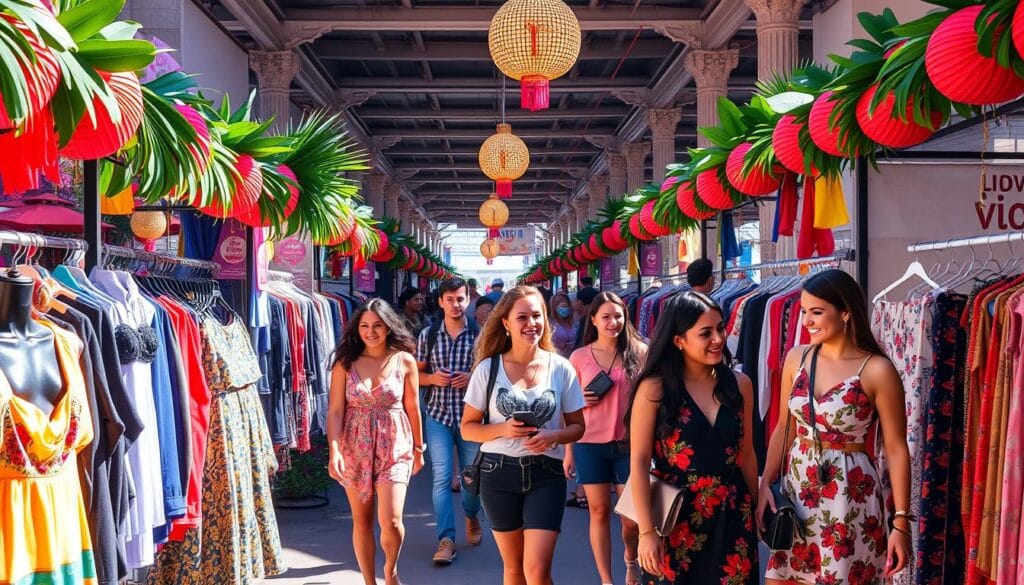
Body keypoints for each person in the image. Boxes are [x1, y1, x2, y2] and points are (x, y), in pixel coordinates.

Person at [758, 269, 911, 585]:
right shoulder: (796, 358)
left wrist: (901, 523)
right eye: (803, 312)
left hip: (849, 497)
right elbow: (783, 428)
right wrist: (764, 484)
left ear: (846, 312)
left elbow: (896, 448)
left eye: (816, 312)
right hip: (797, 494)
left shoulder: (877, 370)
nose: (806, 322)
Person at [628, 292, 758, 584]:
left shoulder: (740, 385)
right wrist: (646, 532)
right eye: (705, 333)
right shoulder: (654, 390)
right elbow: (638, 463)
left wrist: (758, 509)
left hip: (733, 516)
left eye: (721, 328)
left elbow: (747, 455)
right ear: (679, 340)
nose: (718, 338)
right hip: (675, 519)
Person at [461, 285, 586, 585]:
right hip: (497, 473)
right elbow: (468, 428)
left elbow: (578, 426)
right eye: (522, 317)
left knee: (538, 571)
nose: (531, 323)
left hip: (546, 473)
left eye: (537, 315)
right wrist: (503, 428)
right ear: (505, 322)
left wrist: (553, 436)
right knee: (514, 569)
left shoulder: (561, 368)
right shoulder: (487, 369)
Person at [327, 299, 424, 585]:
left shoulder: (404, 360)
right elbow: (335, 410)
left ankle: (390, 569)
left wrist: (419, 448)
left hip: (395, 446)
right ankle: (370, 581)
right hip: (354, 446)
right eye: (365, 326)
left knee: (391, 522)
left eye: (377, 326)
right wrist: (334, 450)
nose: (371, 332)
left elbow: (413, 407)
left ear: (388, 327)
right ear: (357, 329)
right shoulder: (345, 364)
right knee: (362, 522)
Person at [567, 292, 648, 585]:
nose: (613, 322)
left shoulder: (639, 351)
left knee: (631, 518)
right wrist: (567, 451)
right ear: (593, 320)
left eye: (618, 316)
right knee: (598, 511)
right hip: (588, 444)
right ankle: (605, 579)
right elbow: (567, 408)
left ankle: (631, 558)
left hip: (629, 446)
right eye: (606, 317)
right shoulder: (578, 357)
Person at [416, 277, 483, 565]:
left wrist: (472, 378)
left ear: (468, 300)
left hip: (471, 419)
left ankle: (471, 514)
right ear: (441, 302)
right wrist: (432, 378)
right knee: (441, 478)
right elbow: (415, 376)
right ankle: (445, 539)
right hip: (438, 415)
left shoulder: (480, 337)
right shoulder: (427, 336)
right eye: (450, 299)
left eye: (461, 299)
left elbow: (493, 376)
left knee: (471, 480)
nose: (456, 304)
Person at [549, 292, 578, 358]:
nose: (564, 308)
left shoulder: (575, 321)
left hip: (574, 358)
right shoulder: (550, 324)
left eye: (566, 306)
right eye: (561, 306)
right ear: (555, 307)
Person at [574, 285, 599, 349]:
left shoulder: (587, 320)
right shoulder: (594, 317)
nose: (574, 302)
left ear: (580, 302)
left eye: (576, 300)